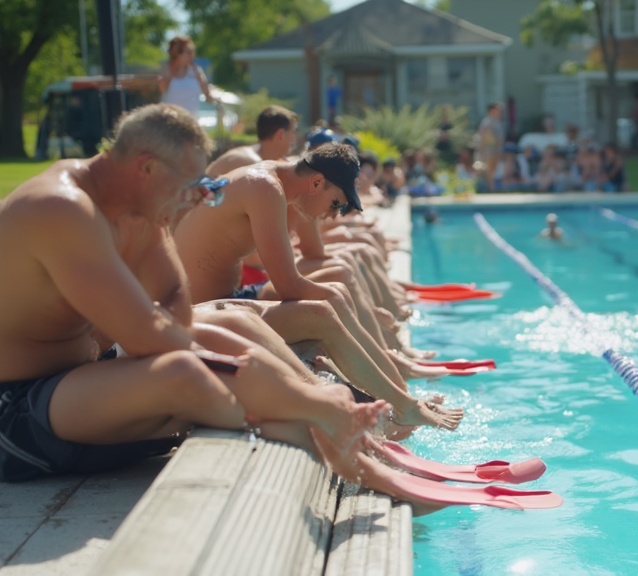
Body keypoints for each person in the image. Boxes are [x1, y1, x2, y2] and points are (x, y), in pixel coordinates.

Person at [0, 103, 389, 482]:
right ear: (147, 168)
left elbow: (175, 304)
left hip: (79, 380)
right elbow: (147, 337)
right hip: (18, 406)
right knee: (183, 371)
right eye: (191, 188)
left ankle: (321, 417)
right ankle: (320, 422)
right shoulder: (62, 209)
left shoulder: (133, 203)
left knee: (221, 332)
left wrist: (184, 338)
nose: (193, 201)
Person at [172, 143, 464, 430]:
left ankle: (403, 399)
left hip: (228, 298)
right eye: (336, 203)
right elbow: (289, 286)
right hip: (198, 312)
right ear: (316, 182)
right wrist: (367, 313)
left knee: (335, 293)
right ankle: (403, 406)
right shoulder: (264, 188)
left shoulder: (270, 181)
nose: (333, 214)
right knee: (323, 312)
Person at [205, 105, 298, 177]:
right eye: (293, 132)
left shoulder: (259, 158)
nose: (294, 138)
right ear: (280, 135)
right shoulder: (250, 163)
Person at [159, 35, 214, 118]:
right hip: (170, 120)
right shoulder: (167, 70)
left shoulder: (196, 71)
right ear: (177, 53)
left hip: (191, 120)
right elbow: (163, 89)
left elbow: (207, 94)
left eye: (192, 51)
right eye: (188, 52)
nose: (191, 55)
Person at [476, 102, 505, 192]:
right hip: (489, 149)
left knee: (493, 169)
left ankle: (491, 187)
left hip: (496, 149)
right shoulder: (487, 122)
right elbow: (484, 137)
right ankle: (489, 188)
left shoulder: (497, 122)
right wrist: (483, 150)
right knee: (488, 169)